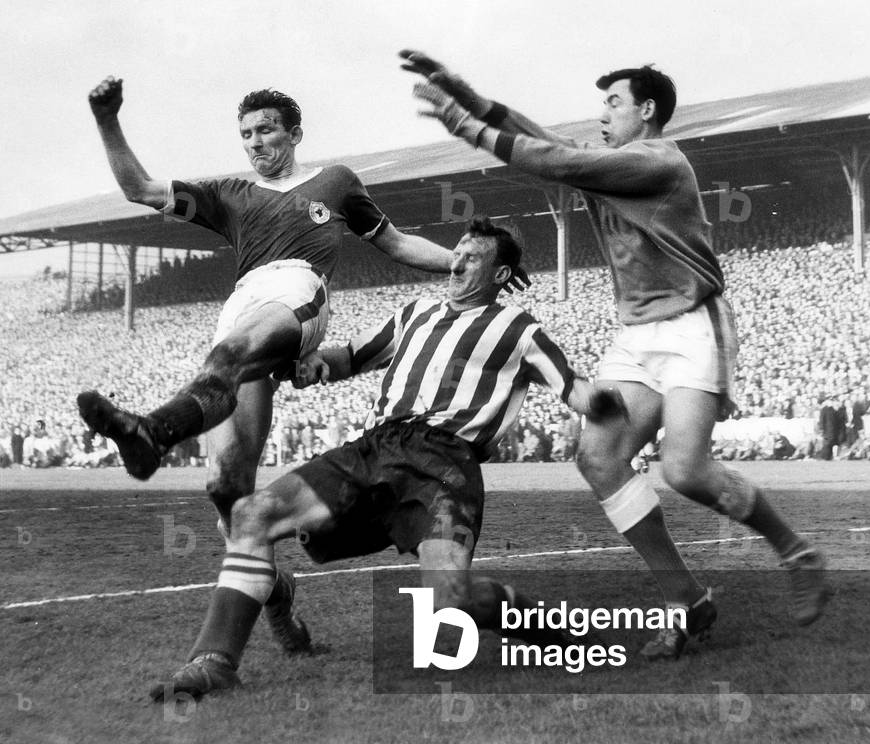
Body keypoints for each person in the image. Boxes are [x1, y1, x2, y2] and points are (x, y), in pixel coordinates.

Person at [404, 49, 832, 658]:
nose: (602, 113)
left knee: (684, 469)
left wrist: (466, 127)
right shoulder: (612, 162)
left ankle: (797, 552)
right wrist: (474, 100)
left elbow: (552, 157)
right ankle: (687, 600)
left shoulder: (657, 161)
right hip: (635, 333)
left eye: (614, 102)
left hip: (690, 324)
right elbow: (546, 143)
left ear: (648, 111)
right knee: (598, 456)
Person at [149, 217, 626, 700]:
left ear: (500, 275)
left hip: (443, 465)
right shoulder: (414, 313)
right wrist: (318, 363)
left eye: (471, 257)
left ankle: (565, 636)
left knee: (449, 601)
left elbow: (574, 389)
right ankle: (215, 662)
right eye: (456, 252)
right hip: (374, 449)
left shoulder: (520, 330)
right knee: (252, 513)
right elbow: (353, 356)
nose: (455, 262)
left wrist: (605, 401)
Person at [76, 77, 464, 652]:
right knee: (226, 489)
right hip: (242, 303)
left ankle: (153, 432)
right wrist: (106, 118)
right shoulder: (229, 193)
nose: (255, 142)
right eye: (246, 134)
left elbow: (400, 244)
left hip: (298, 288)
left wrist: (465, 264)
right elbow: (138, 187)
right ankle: (278, 596)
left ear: (294, 133)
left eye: (266, 130)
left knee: (227, 356)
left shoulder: (336, 184)